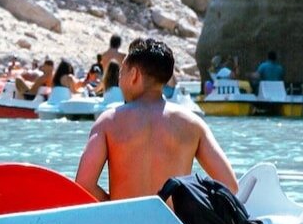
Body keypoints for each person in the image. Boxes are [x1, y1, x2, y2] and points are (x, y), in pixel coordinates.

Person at [74, 36, 238, 212]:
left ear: (134, 75)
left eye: (121, 74)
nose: (119, 82)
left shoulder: (107, 122)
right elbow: (230, 186)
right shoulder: (193, 124)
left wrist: (116, 207)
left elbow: (83, 184)